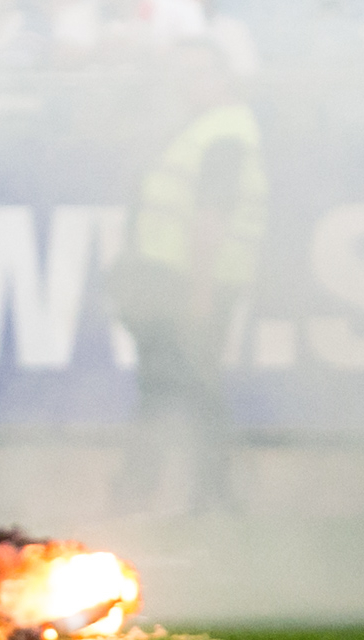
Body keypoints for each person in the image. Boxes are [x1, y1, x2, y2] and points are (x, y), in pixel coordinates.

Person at [108, 42, 265, 515]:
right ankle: (161, 489)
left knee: (187, 388)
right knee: (171, 386)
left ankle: (195, 492)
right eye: (184, 75)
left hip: (193, 283)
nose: (188, 85)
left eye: (199, 75)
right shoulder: (210, 130)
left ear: (223, 79)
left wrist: (198, 293)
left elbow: (208, 220)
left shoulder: (224, 135)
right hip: (176, 279)